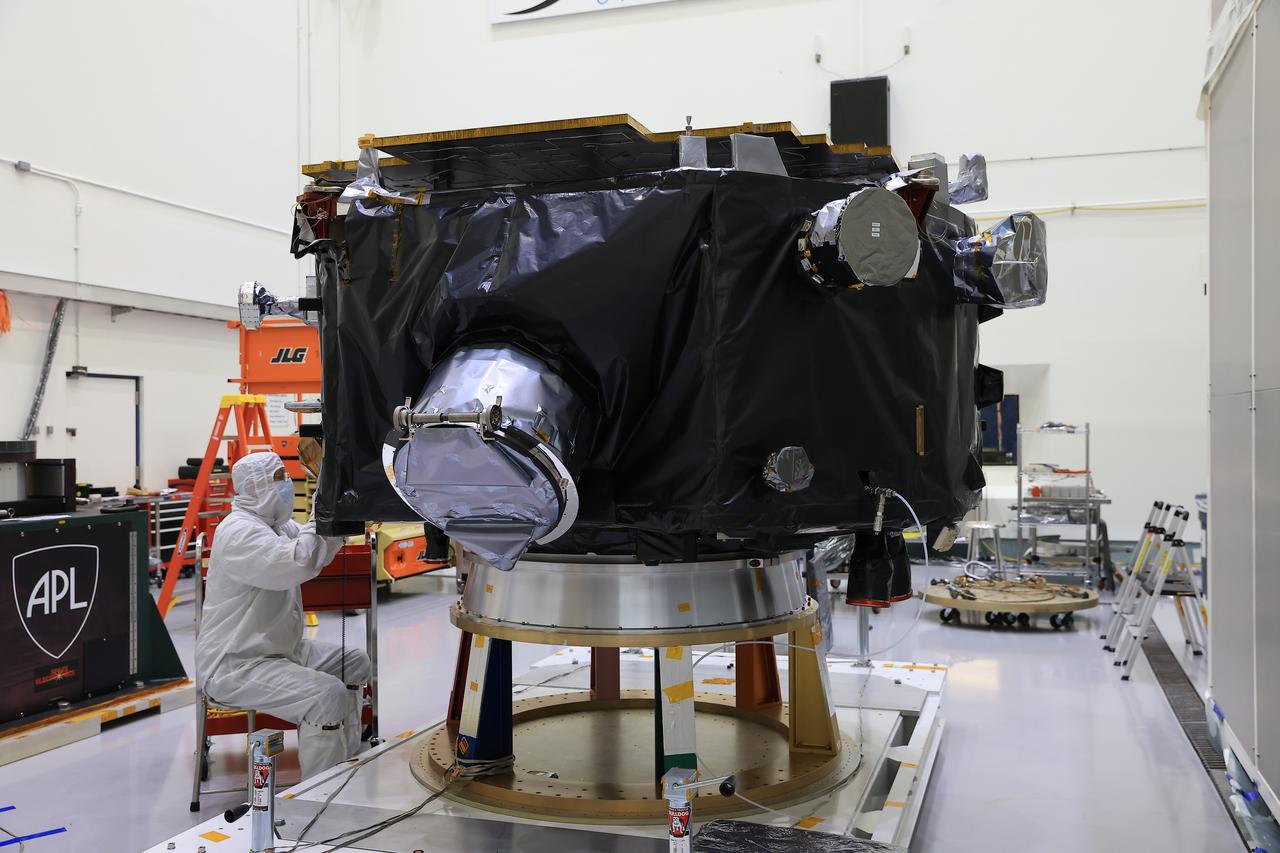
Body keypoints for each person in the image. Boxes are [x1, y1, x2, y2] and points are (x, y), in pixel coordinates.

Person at [195, 451, 369, 780]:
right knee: (326, 695)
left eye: (286, 476)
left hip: (277, 652)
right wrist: (324, 503)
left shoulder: (274, 525)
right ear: (255, 488)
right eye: (279, 479)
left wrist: (341, 516)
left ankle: (346, 760)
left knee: (355, 662)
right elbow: (299, 562)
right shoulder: (239, 533)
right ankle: (319, 795)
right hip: (237, 664)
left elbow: (313, 546)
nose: (288, 484)